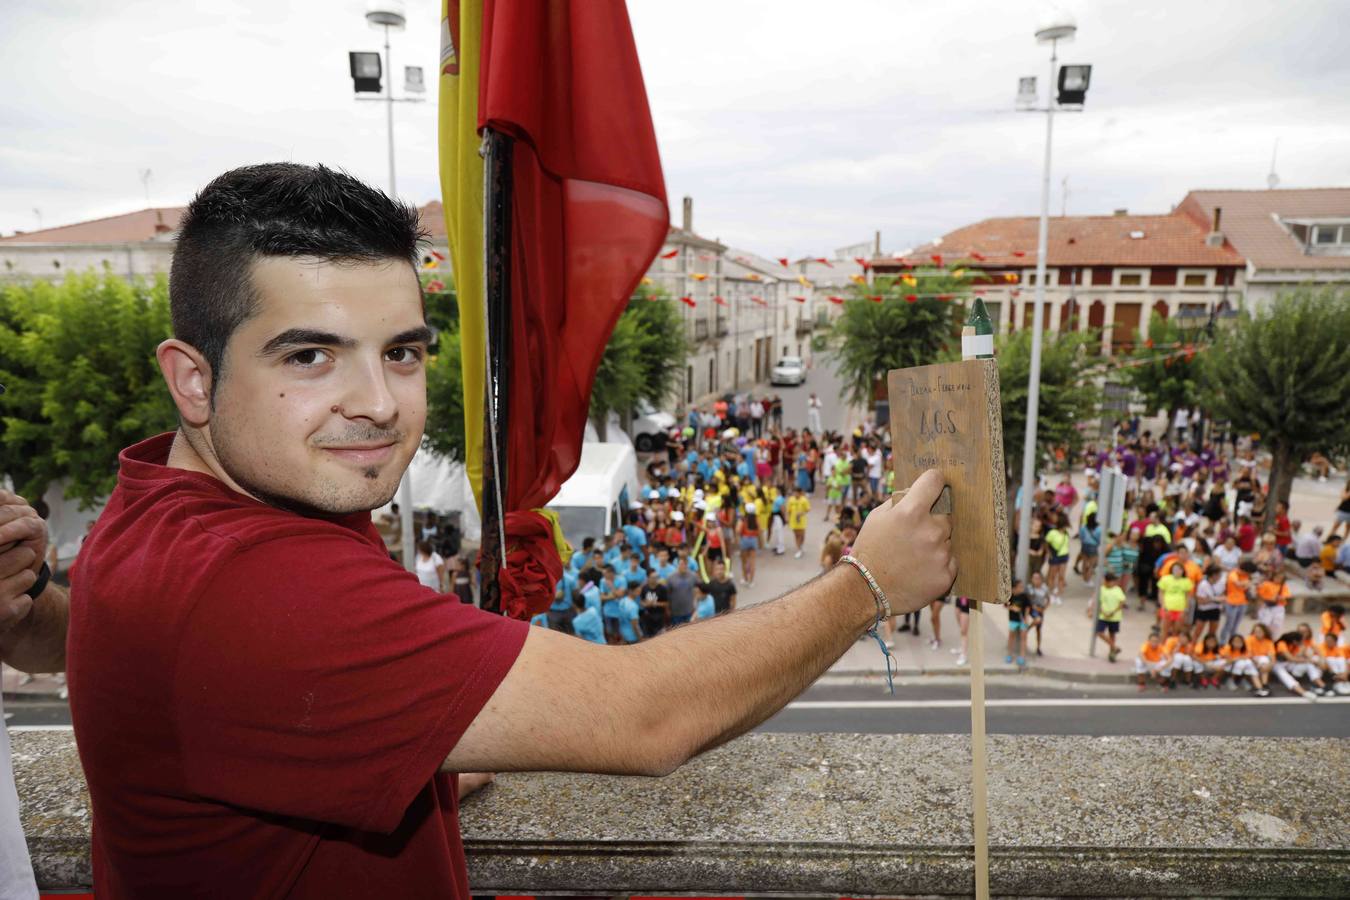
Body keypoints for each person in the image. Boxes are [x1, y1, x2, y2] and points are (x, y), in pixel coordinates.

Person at [0, 167, 962, 898]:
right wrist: (867, 583)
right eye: (310, 355)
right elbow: (646, 718)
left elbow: (113, 645)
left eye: (403, 352)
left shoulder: (152, 502)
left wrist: (413, 728)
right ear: (194, 379)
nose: (377, 403)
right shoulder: (259, 588)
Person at [1094, 571, 1126, 663]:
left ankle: (1112, 652)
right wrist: (1103, 612)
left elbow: (1122, 602)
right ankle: (1114, 647)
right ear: (1107, 581)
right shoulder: (1102, 589)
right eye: (1112, 581)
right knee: (1100, 632)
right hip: (1103, 616)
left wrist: (1113, 612)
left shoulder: (1118, 590)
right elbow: (1099, 602)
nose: (1114, 583)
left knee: (1112, 634)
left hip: (1115, 617)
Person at [1220, 561, 1256, 644]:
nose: (1249, 574)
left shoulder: (1247, 576)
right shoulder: (1233, 574)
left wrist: (1248, 583)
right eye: (1248, 572)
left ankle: (1232, 642)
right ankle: (1222, 642)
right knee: (1229, 624)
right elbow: (1238, 584)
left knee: (1236, 625)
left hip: (1243, 603)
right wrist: (1248, 583)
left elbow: (1247, 586)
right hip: (1231, 602)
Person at [1157, 562, 1194, 639]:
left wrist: (1186, 609)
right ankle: (1162, 645)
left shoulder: (1186, 581)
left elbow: (1188, 597)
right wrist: (1163, 605)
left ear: (1183, 571)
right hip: (1167, 607)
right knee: (1165, 629)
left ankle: (1172, 646)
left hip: (1180, 609)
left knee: (1177, 630)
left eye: (1180, 569)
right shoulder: (1165, 579)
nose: (1177, 571)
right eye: (1175, 569)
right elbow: (1161, 593)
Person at [1191, 564, 1225, 642]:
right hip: (1203, 610)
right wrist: (1214, 599)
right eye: (1219, 574)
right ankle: (1192, 647)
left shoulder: (1221, 584)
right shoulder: (1203, 585)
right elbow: (1200, 601)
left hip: (1215, 609)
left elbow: (1222, 594)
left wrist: (1220, 599)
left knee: (1212, 633)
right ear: (1213, 575)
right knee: (1197, 632)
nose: (1220, 576)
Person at [665, 556, 698, 627]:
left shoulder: (693, 576)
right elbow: (667, 595)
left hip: (689, 610)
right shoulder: (670, 577)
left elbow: (698, 590)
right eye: (681, 564)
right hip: (676, 612)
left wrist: (696, 605)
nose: (683, 566)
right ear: (677, 564)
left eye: (685, 564)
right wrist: (668, 609)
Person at [1256, 570, 1291, 635]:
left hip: (1278, 607)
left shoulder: (1283, 586)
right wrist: (1268, 599)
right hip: (1266, 606)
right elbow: (1260, 595)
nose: (1278, 579)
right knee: (1265, 624)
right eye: (1277, 577)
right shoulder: (1266, 584)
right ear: (1273, 577)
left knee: (1277, 624)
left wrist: (1281, 597)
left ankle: (1272, 638)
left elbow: (1287, 595)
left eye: (1281, 578)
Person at [1005, 578, 1031, 668]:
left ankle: (1022, 656)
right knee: (1011, 637)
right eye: (1020, 587)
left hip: (1022, 620)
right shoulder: (1010, 596)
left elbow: (1027, 607)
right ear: (1014, 588)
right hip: (1013, 619)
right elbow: (1005, 605)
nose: (1022, 588)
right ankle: (1009, 654)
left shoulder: (1024, 596)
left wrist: (1026, 619)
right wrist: (1012, 608)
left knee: (1023, 638)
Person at [1027, 570, 1050, 657]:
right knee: (1037, 620)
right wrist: (1034, 607)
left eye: (1037, 578)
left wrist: (1045, 608)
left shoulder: (1044, 588)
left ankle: (1038, 647)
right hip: (1033, 608)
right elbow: (1029, 600)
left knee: (1039, 630)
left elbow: (1048, 599)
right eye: (1034, 578)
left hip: (1041, 608)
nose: (1035, 580)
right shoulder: (1030, 588)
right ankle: (1027, 629)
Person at [737, 501, 760, 587]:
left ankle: (745, 578)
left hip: (745, 539)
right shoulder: (756, 518)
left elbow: (738, 531)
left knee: (744, 561)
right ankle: (751, 581)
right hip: (753, 539)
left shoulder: (743, 519)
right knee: (752, 562)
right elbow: (759, 530)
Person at [786, 485, 811, 559]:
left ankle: (801, 545)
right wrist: (787, 518)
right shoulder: (791, 500)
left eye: (797, 493)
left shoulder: (804, 500)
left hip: (801, 520)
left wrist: (802, 513)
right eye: (794, 493)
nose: (795, 494)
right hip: (793, 520)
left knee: (802, 535)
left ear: (800, 493)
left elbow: (808, 509)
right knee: (796, 535)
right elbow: (788, 510)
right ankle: (798, 549)